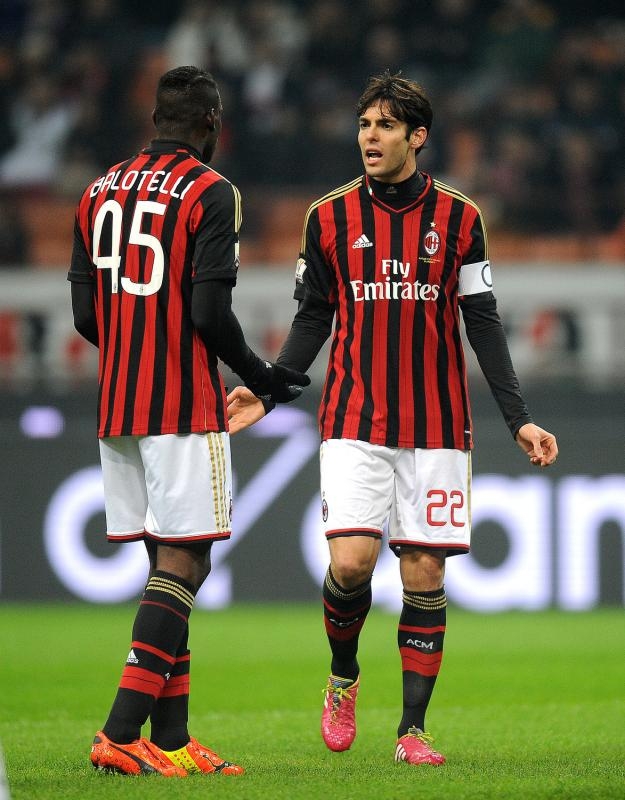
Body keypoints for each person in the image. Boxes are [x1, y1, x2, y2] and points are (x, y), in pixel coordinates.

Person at [226, 70, 558, 767]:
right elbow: (313, 317)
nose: (369, 137)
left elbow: (483, 321)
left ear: (417, 136)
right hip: (355, 417)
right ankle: (342, 674)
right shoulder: (328, 217)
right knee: (351, 564)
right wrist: (269, 387)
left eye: (384, 125)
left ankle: (412, 731)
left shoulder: (461, 218)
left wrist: (518, 419)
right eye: (364, 124)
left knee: (424, 575)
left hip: (437, 424)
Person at [68, 65, 309, 778]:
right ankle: (120, 731)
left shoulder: (96, 190)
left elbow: (85, 314)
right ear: (211, 123)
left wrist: (134, 348)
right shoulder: (211, 191)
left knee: (165, 564)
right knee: (186, 560)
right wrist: (262, 376)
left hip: (119, 401)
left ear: (155, 120)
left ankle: (171, 740)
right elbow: (208, 312)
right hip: (179, 401)